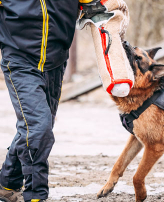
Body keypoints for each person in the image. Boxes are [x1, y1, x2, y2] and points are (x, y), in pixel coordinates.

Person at [0, 0, 100, 201]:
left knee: (36, 128)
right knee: (38, 127)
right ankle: (36, 194)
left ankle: (7, 183)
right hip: (19, 61)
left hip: (56, 62)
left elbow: (97, 6)